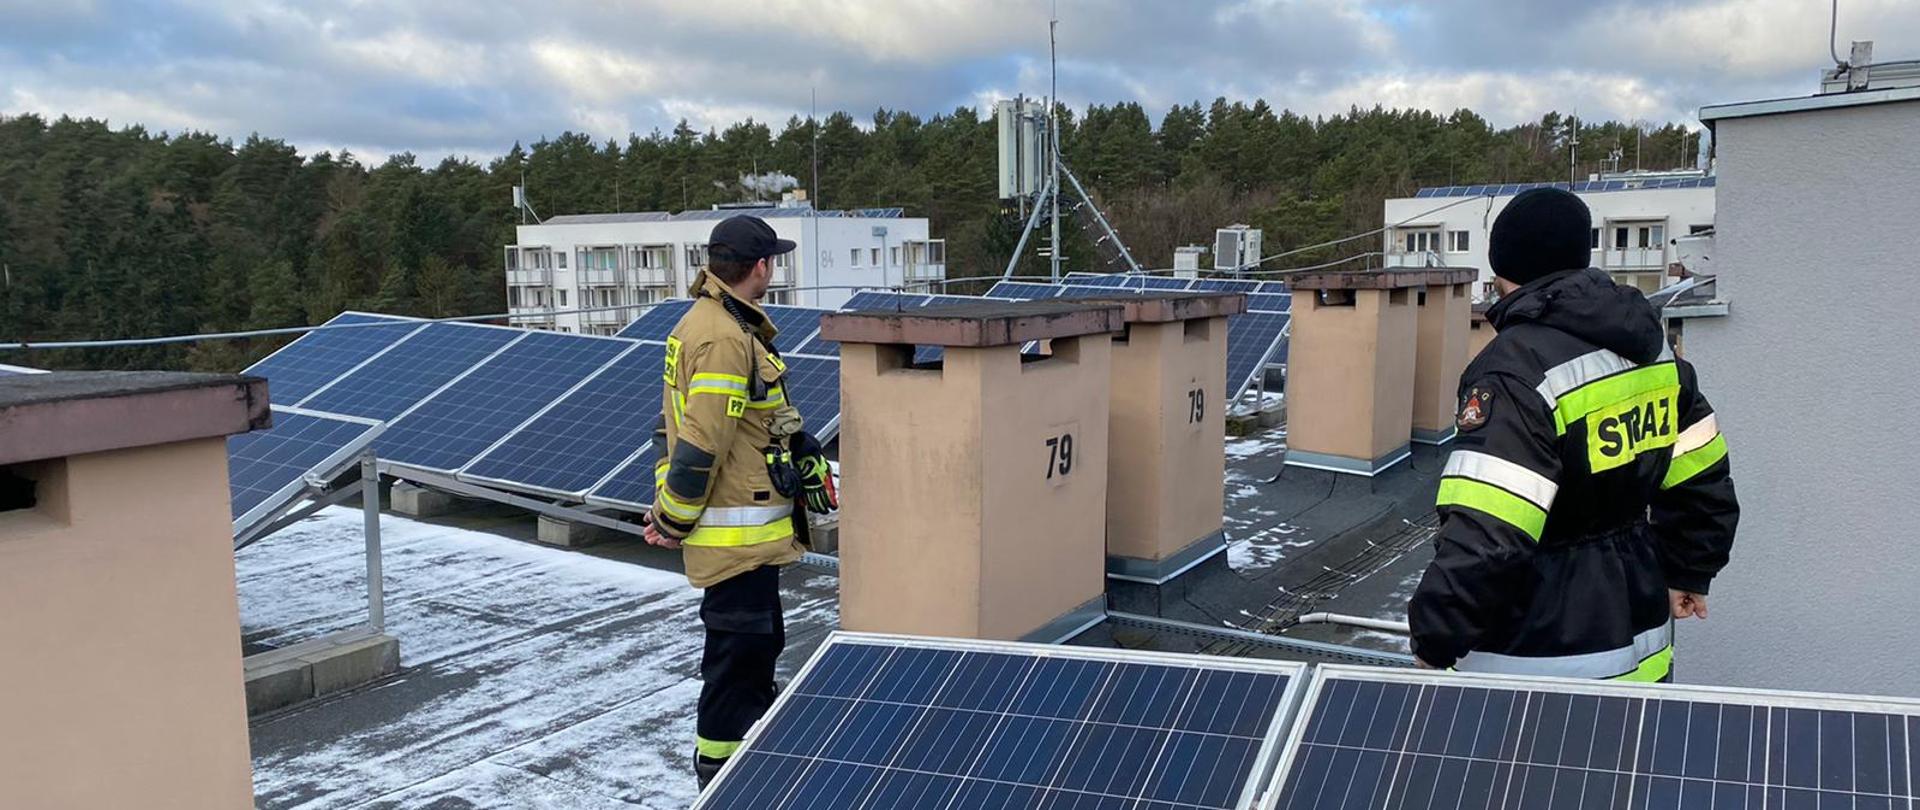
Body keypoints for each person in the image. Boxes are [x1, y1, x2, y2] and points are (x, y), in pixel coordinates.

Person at [1408, 187, 1739, 682]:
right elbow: (1701, 475)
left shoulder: (1514, 371)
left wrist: (1435, 636)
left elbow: (1490, 533)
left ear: (1504, 272)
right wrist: (1690, 569)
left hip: (1538, 657)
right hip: (1640, 631)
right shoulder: (1654, 349)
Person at [641, 215, 837, 788]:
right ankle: (721, 778)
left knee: (755, 653)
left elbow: (671, 428)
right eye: (772, 260)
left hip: (746, 542)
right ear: (761, 266)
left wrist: (799, 445)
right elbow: (701, 441)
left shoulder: (713, 323)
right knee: (738, 665)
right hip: (735, 544)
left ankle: (741, 765)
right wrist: (671, 518)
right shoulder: (725, 338)